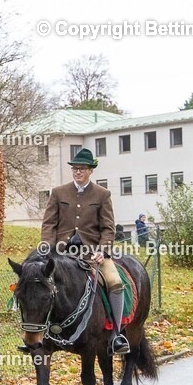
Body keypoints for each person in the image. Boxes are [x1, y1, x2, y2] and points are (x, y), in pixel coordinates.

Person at [41, 148, 129, 355]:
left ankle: (117, 334)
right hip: (62, 255)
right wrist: (48, 248)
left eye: (81, 169)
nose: (77, 172)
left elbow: (108, 228)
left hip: (93, 255)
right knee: (37, 283)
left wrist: (103, 250)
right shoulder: (58, 192)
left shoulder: (102, 194)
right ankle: (40, 334)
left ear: (91, 171)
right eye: (75, 168)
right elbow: (48, 224)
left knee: (115, 282)